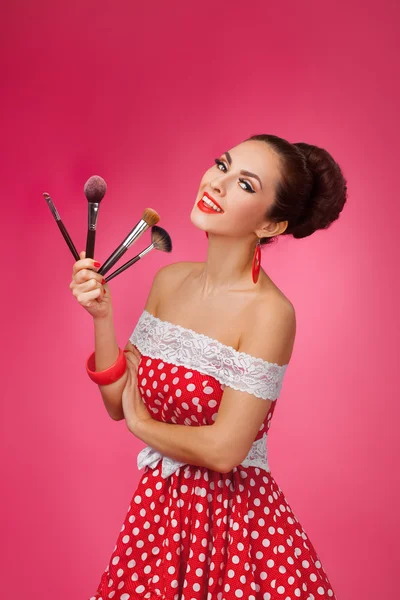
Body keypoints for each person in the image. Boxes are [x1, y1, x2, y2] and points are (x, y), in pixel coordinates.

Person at [71, 134, 347, 600]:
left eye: (244, 184)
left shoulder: (270, 313)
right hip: (157, 521)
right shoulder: (168, 280)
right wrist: (103, 318)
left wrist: (141, 423)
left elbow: (224, 451)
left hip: (236, 532)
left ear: (272, 224)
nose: (216, 183)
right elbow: (119, 403)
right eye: (222, 164)